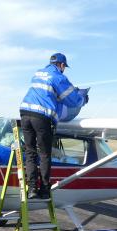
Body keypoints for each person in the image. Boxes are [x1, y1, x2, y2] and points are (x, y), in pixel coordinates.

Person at [19, 53, 88, 199]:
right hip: (41, 117)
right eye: (64, 67)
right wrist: (83, 99)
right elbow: (73, 100)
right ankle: (44, 189)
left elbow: (45, 94)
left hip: (25, 114)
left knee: (31, 152)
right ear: (62, 65)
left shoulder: (38, 72)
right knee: (44, 154)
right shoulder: (59, 77)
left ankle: (31, 189)